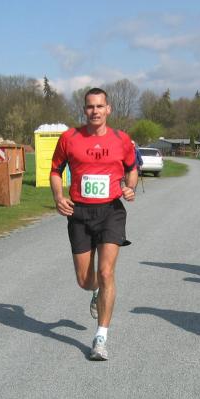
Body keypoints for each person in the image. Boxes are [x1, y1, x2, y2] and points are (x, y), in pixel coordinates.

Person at [50, 87, 138, 361]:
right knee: (85, 281)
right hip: (79, 213)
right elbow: (55, 170)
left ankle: (101, 338)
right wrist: (58, 197)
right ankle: (95, 291)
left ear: (108, 109)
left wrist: (130, 187)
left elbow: (132, 168)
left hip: (111, 211)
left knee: (106, 271)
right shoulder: (69, 138)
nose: (95, 111)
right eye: (90, 106)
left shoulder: (121, 139)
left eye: (100, 106)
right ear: (84, 109)